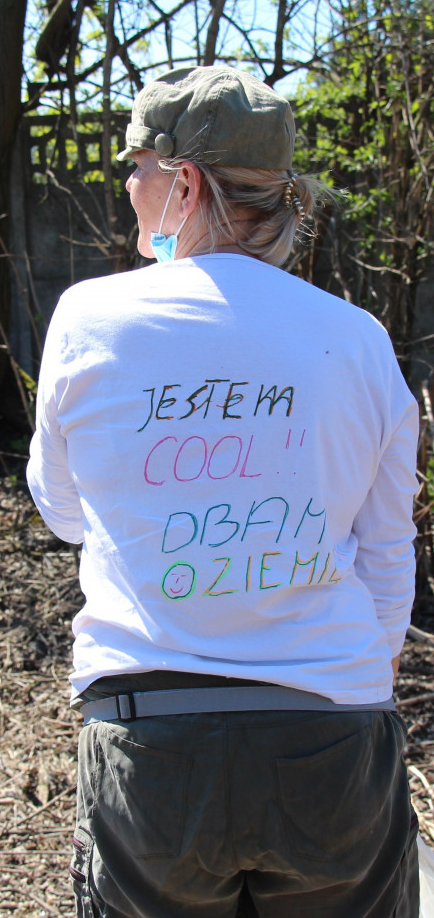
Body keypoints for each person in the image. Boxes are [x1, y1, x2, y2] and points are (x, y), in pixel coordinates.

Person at [27, 66, 420, 917]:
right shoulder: (359, 340)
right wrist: (347, 679)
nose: (126, 185)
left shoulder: (88, 318)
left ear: (186, 180)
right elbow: (389, 558)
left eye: (136, 163)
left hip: (151, 744)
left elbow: (62, 512)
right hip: (333, 743)